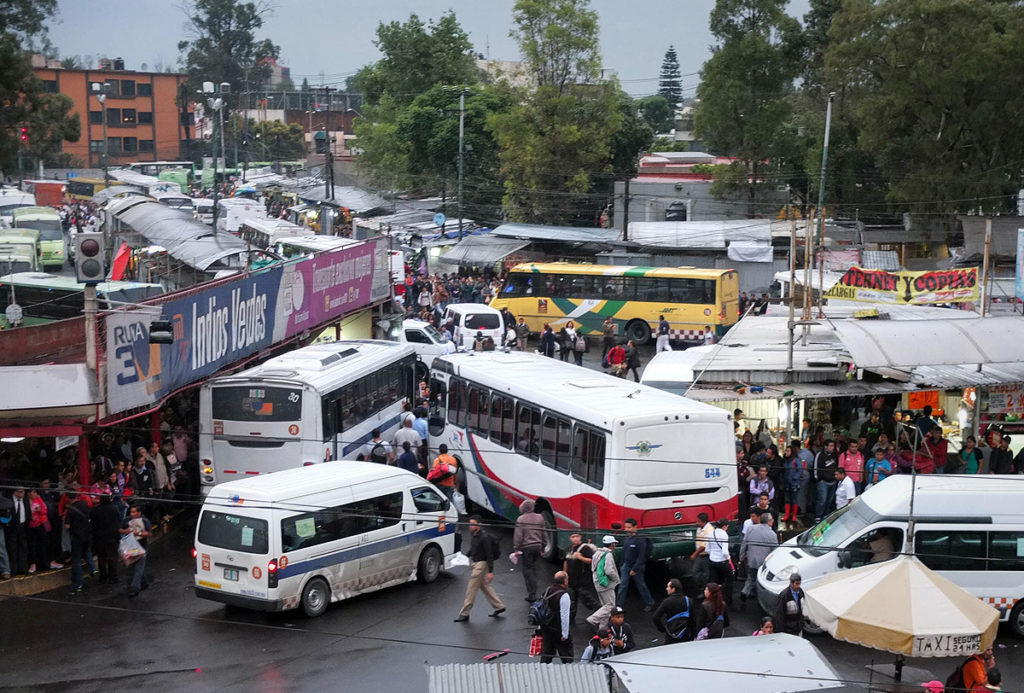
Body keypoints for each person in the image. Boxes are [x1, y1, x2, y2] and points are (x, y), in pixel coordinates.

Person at [454, 515, 505, 622]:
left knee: (471, 589)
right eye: (470, 524)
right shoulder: (474, 535)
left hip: (481, 565)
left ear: (479, 524)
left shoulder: (484, 537)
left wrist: (491, 571)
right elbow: (473, 548)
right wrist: (464, 556)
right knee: (485, 586)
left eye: (473, 524)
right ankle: (499, 606)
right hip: (475, 563)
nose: (470, 526)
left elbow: (489, 554)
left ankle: (465, 613)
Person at [616, 518, 654, 611]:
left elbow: (641, 556)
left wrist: (635, 568)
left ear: (635, 527)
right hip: (626, 565)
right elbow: (624, 553)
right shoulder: (627, 538)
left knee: (641, 585)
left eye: (629, 527)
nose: (627, 529)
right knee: (623, 585)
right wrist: (622, 565)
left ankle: (650, 603)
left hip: (637, 567)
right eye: (626, 527)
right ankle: (618, 605)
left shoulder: (640, 540)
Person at [739, 513, 778, 606]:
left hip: (751, 559)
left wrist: (741, 556)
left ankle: (745, 591)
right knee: (760, 580)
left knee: (750, 577)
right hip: (763, 562)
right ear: (769, 521)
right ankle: (756, 595)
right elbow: (775, 551)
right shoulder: (772, 534)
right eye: (772, 519)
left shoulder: (751, 528)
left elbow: (744, 544)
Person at [513, 499, 546, 602]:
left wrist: (516, 548)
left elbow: (518, 535)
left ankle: (532, 593)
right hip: (538, 546)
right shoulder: (540, 517)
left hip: (527, 547)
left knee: (528, 570)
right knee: (534, 568)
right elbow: (544, 532)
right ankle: (533, 590)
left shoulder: (521, 519)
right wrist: (544, 546)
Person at [586, 535, 621, 631]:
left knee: (605, 607)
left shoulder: (597, 553)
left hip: (598, 582)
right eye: (614, 544)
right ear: (612, 545)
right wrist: (616, 579)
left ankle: (602, 629)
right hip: (606, 584)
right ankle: (592, 619)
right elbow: (609, 571)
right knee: (610, 606)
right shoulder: (608, 555)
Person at [563, 532, 598, 624]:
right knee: (571, 603)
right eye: (573, 537)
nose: (575, 539)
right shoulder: (568, 549)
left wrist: (580, 557)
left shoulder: (585, 548)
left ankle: (599, 617)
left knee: (588, 601)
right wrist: (565, 575)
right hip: (571, 581)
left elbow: (591, 561)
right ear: (570, 538)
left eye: (577, 536)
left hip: (582, 582)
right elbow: (566, 562)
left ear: (580, 537)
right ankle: (570, 621)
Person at [539, 571, 573, 664]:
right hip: (558, 629)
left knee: (547, 653)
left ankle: (543, 672)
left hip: (546, 627)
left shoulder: (547, 590)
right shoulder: (564, 595)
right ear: (565, 581)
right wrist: (565, 634)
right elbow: (565, 616)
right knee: (566, 656)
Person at [64, 491, 94, 594]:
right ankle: (93, 568)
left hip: (77, 537)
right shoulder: (84, 504)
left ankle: (78, 584)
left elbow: (67, 526)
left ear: (68, 497)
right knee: (87, 552)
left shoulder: (70, 510)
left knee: (76, 560)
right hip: (87, 535)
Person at [119, 504, 151, 598]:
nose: (132, 514)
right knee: (135, 567)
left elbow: (149, 533)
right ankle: (143, 583)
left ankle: (134, 588)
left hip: (142, 546)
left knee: (138, 568)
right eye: (131, 512)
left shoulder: (145, 521)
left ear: (139, 513)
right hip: (131, 547)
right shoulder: (127, 520)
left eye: (134, 512)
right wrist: (126, 531)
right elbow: (120, 529)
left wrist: (139, 533)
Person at [90, 490, 121, 584]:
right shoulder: (114, 509)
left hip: (99, 538)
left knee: (101, 557)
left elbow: (93, 524)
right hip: (111, 537)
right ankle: (113, 577)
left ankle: (103, 576)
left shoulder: (95, 510)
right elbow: (118, 521)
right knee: (112, 557)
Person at [652, 578, 694, 643]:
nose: (666, 588)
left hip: (671, 634)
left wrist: (662, 629)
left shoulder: (666, 602)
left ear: (673, 589)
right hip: (685, 633)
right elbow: (693, 619)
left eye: (668, 587)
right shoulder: (688, 600)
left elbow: (656, 617)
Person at [707, 519, 734, 607]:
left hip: (712, 561)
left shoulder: (711, 533)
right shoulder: (724, 535)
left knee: (714, 582)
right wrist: (729, 558)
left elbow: (707, 549)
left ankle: (713, 600)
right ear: (724, 526)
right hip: (722, 562)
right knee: (729, 579)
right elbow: (725, 552)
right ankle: (728, 601)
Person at [814, 440, 839, 524]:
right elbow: (815, 468)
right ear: (825, 446)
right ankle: (818, 516)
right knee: (822, 500)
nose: (832, 448)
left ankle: (825, 514)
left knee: (829, 500)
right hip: (823, 482)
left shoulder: (834, 455)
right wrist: (818, 478)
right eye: (830, 446)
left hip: (832, 481)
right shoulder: (820, 455)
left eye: (833, 446)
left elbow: (836, 466)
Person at [689, 513, 713, 588]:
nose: (697, 523)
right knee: (695, 572)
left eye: (699, 521)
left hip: (706, 555)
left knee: (706, 574)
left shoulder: (709, 530)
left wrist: (695, 554)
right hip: (700, 555)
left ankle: (704, 590)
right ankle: (702, 587)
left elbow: (704, 545)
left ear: (704, 522)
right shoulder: (700, 528)